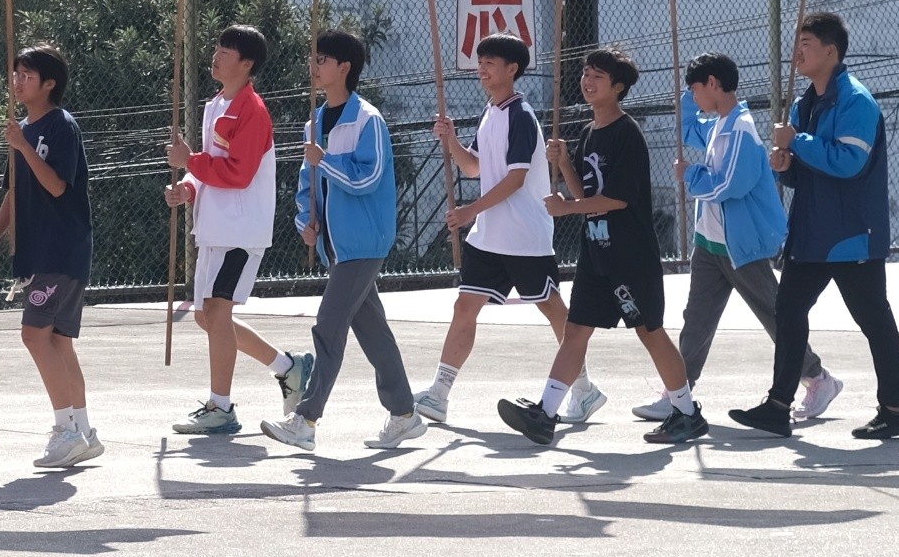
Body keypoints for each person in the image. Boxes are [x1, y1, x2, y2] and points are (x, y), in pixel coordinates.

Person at [725, 12, 899, 441]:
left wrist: (799, 143)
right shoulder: (804, 102)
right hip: (811, 230)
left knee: (872, 318)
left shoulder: (856, 101)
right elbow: (804, 170)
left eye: (806, 43)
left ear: (831, 51)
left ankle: (894, 409)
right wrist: (785, 164)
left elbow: (849, 162)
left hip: (850, 234)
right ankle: (778, 405)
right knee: (788, 312)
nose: (797, 51)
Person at [504, 46, 692, 445]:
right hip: (597, 251)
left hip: (629, 254)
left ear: (618, 87)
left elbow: (618, 198)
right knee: (575, 329)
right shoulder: (590, 132)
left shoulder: (627, 133)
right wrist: (567, 164)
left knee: (649, 330)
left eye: (598, 77)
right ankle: (546, 412)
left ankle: (687, 412)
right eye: (586, 74)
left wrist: (568, 209)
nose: (588, 82)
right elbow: (588, 191)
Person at [265, 30, 423, 454]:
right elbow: (306, 185)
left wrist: (327, 162)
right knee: (373, 332)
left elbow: (368, 177)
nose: (314, 66)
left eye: (323, 59)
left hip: (364, 242)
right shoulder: (314, 122)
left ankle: (306, 418)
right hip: (338, 247)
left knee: (328, 328)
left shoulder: (367, 120)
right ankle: (405, 413)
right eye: (314, 58)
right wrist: (306, 222)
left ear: (344, 68)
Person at [419, 36, 587, 425]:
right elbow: (474, 167)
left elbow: (515, 179)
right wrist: (451, 142)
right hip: (489, 235)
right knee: (465, 306)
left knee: (552, 310)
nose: (482, 68)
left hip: (524, 235)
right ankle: (439, 394)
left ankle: (583, 388)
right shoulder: (491, 111)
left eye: (490, 62)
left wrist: (469, 211)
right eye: (480, 61)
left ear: (512, 68)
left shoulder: (521, 115)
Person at [669, 53, 834, 436]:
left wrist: (690, 174)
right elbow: (687, 128)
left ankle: (818, 377)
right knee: (696, 320)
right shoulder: (718, 125)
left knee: (775, 315)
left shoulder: (739, 129)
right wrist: (685, 92)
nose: (693, 96)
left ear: (713, 84)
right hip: (711, 242)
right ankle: (679, 392)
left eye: (696, 88)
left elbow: (731, 186)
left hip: (738, 245)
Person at [164, 23, 297, 438]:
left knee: (218, 313)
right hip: (213, 228)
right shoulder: (216, 105)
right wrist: (188, 188)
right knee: (207, 317)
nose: (217, 55)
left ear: (247, 63)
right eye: (217, 48)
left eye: (226, 51)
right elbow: (209, 167)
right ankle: (290, 369)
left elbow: (239, 174)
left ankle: (220, 407)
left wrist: (191, 163)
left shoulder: (253, 110)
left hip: (241, 229)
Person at [0, 44, 100, 470]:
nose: (18, 81)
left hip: (60, 247)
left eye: (27, 75)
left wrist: (24, 146)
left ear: (49, 83)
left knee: (34, 335)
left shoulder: (60, 127)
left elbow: (56, 187)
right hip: (37, 250)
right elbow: (14, 192)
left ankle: (65, 430)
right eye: (16, 74)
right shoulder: (22, 128)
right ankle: (83, 429)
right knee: (58, 342)